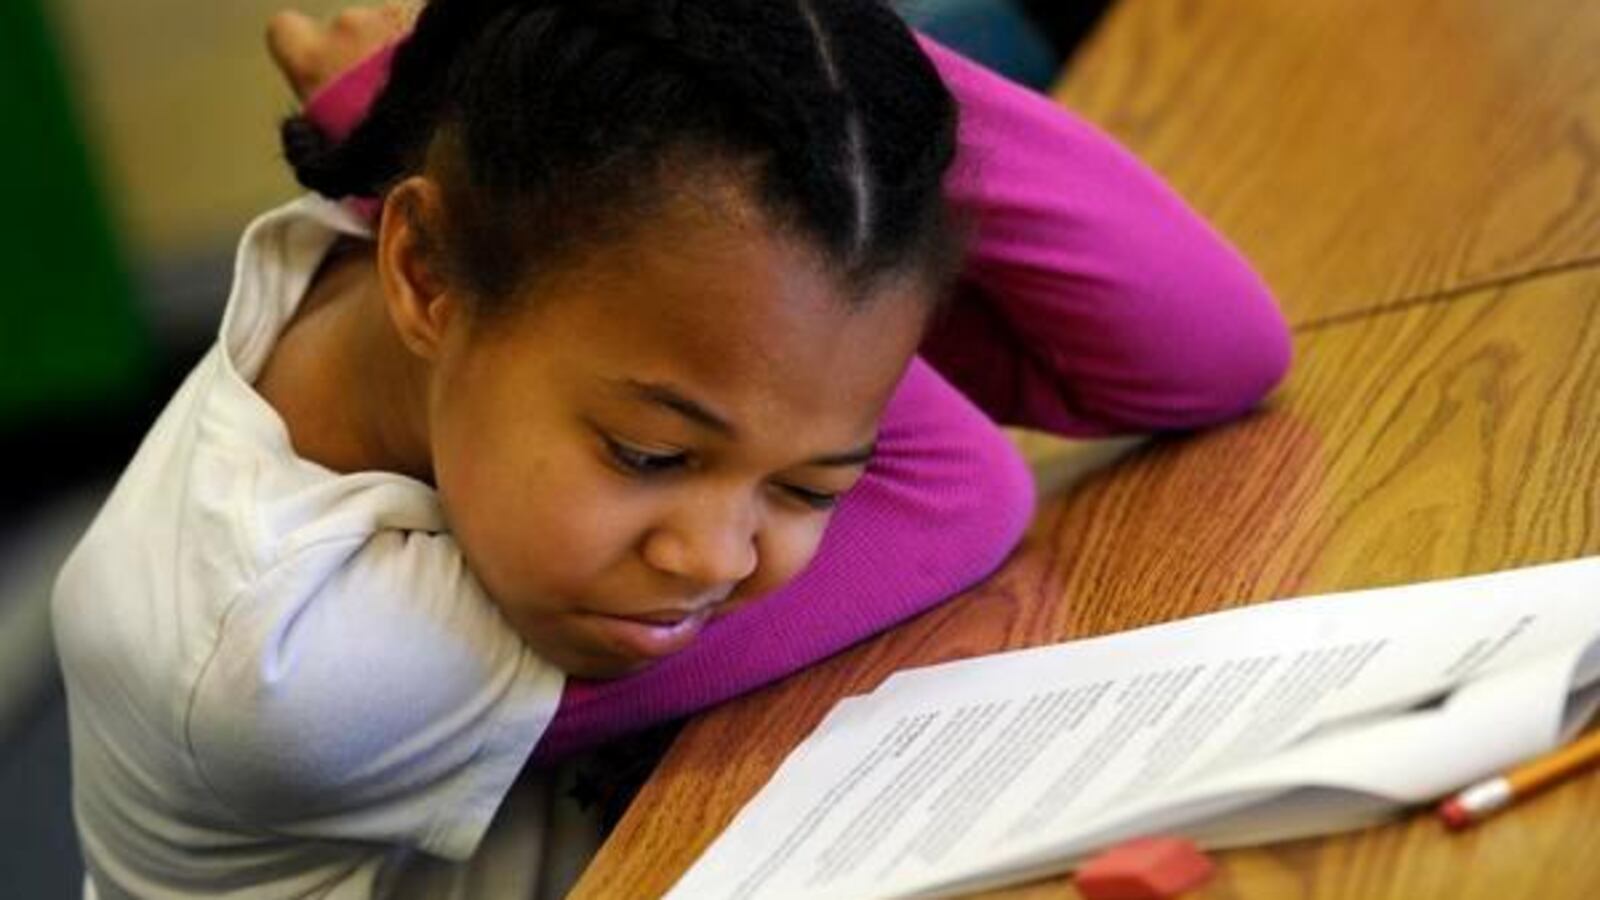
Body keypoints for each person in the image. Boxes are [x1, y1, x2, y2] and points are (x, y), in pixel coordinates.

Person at [54, 1, 1290, 896]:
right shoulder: (293, 665)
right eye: (649, 455)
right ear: (424, 272)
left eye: (813, 484)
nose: (716, 558)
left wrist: (809, 72)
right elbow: (962, 491)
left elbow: (1218, 352)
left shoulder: (486, 234)